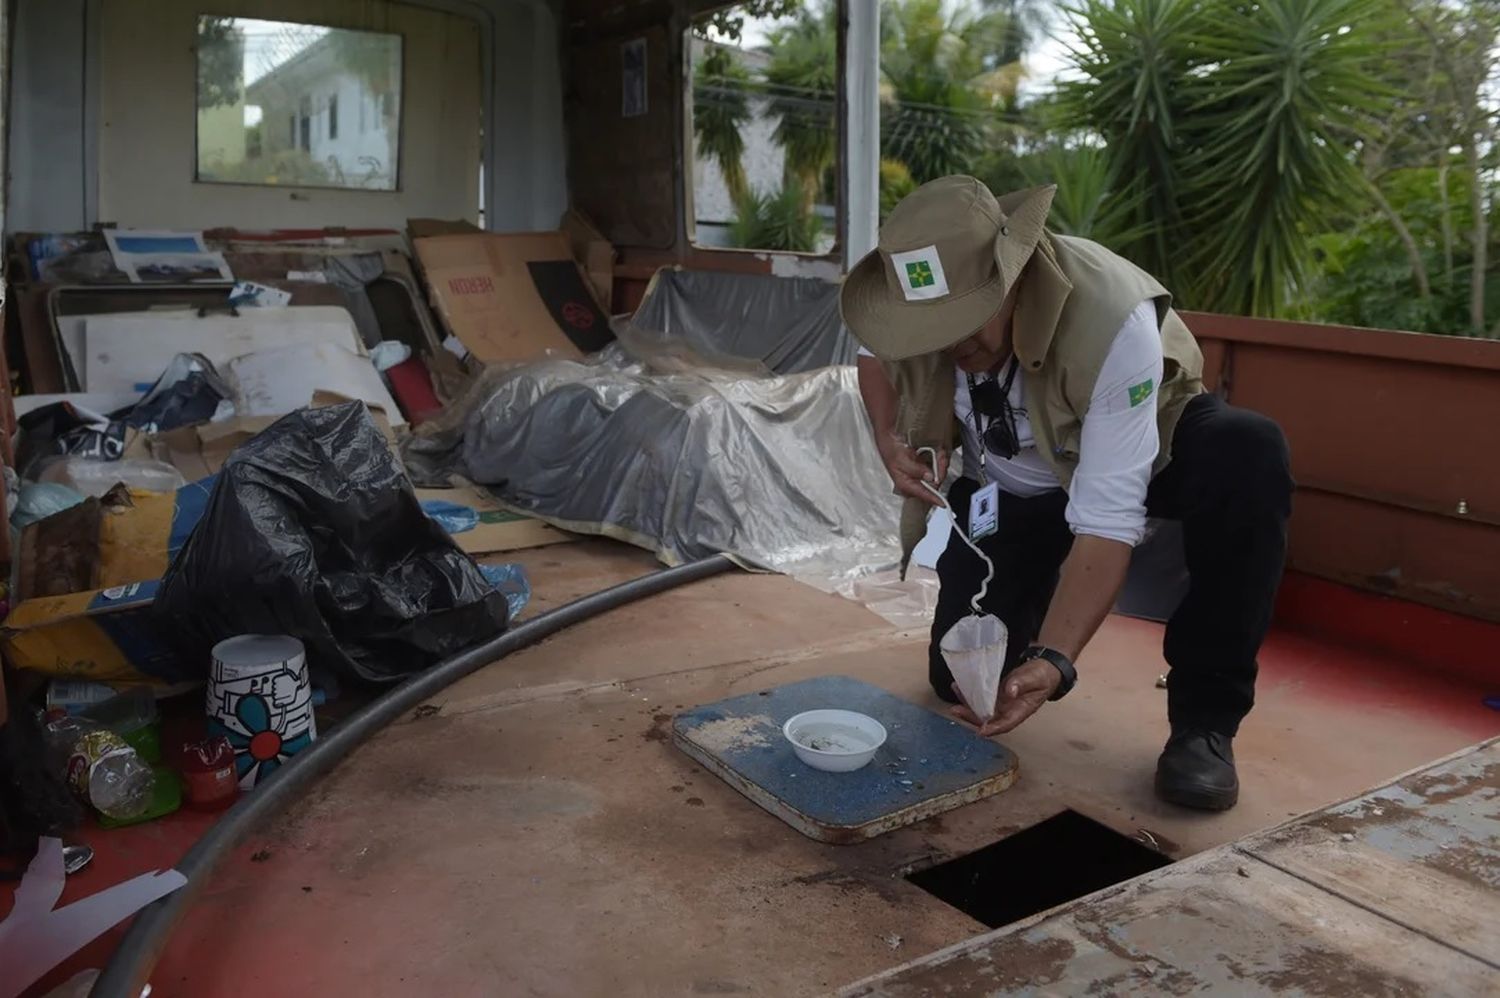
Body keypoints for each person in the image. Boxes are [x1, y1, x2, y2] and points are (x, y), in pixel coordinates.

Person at [841, 177, 1292, 811]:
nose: (952, 346)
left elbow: (1108, 519)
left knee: (1247, 449)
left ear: (1014, 274)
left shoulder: (1110, 317)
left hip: (1130, 459)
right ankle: (1036, 584)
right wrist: (889, 439)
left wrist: (1056, 658)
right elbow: (872, 356)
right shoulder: (905, 302)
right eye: (931, 330)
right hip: (1010, 487)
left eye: (966, 324)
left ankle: (1205, 724)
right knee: (961, 680)